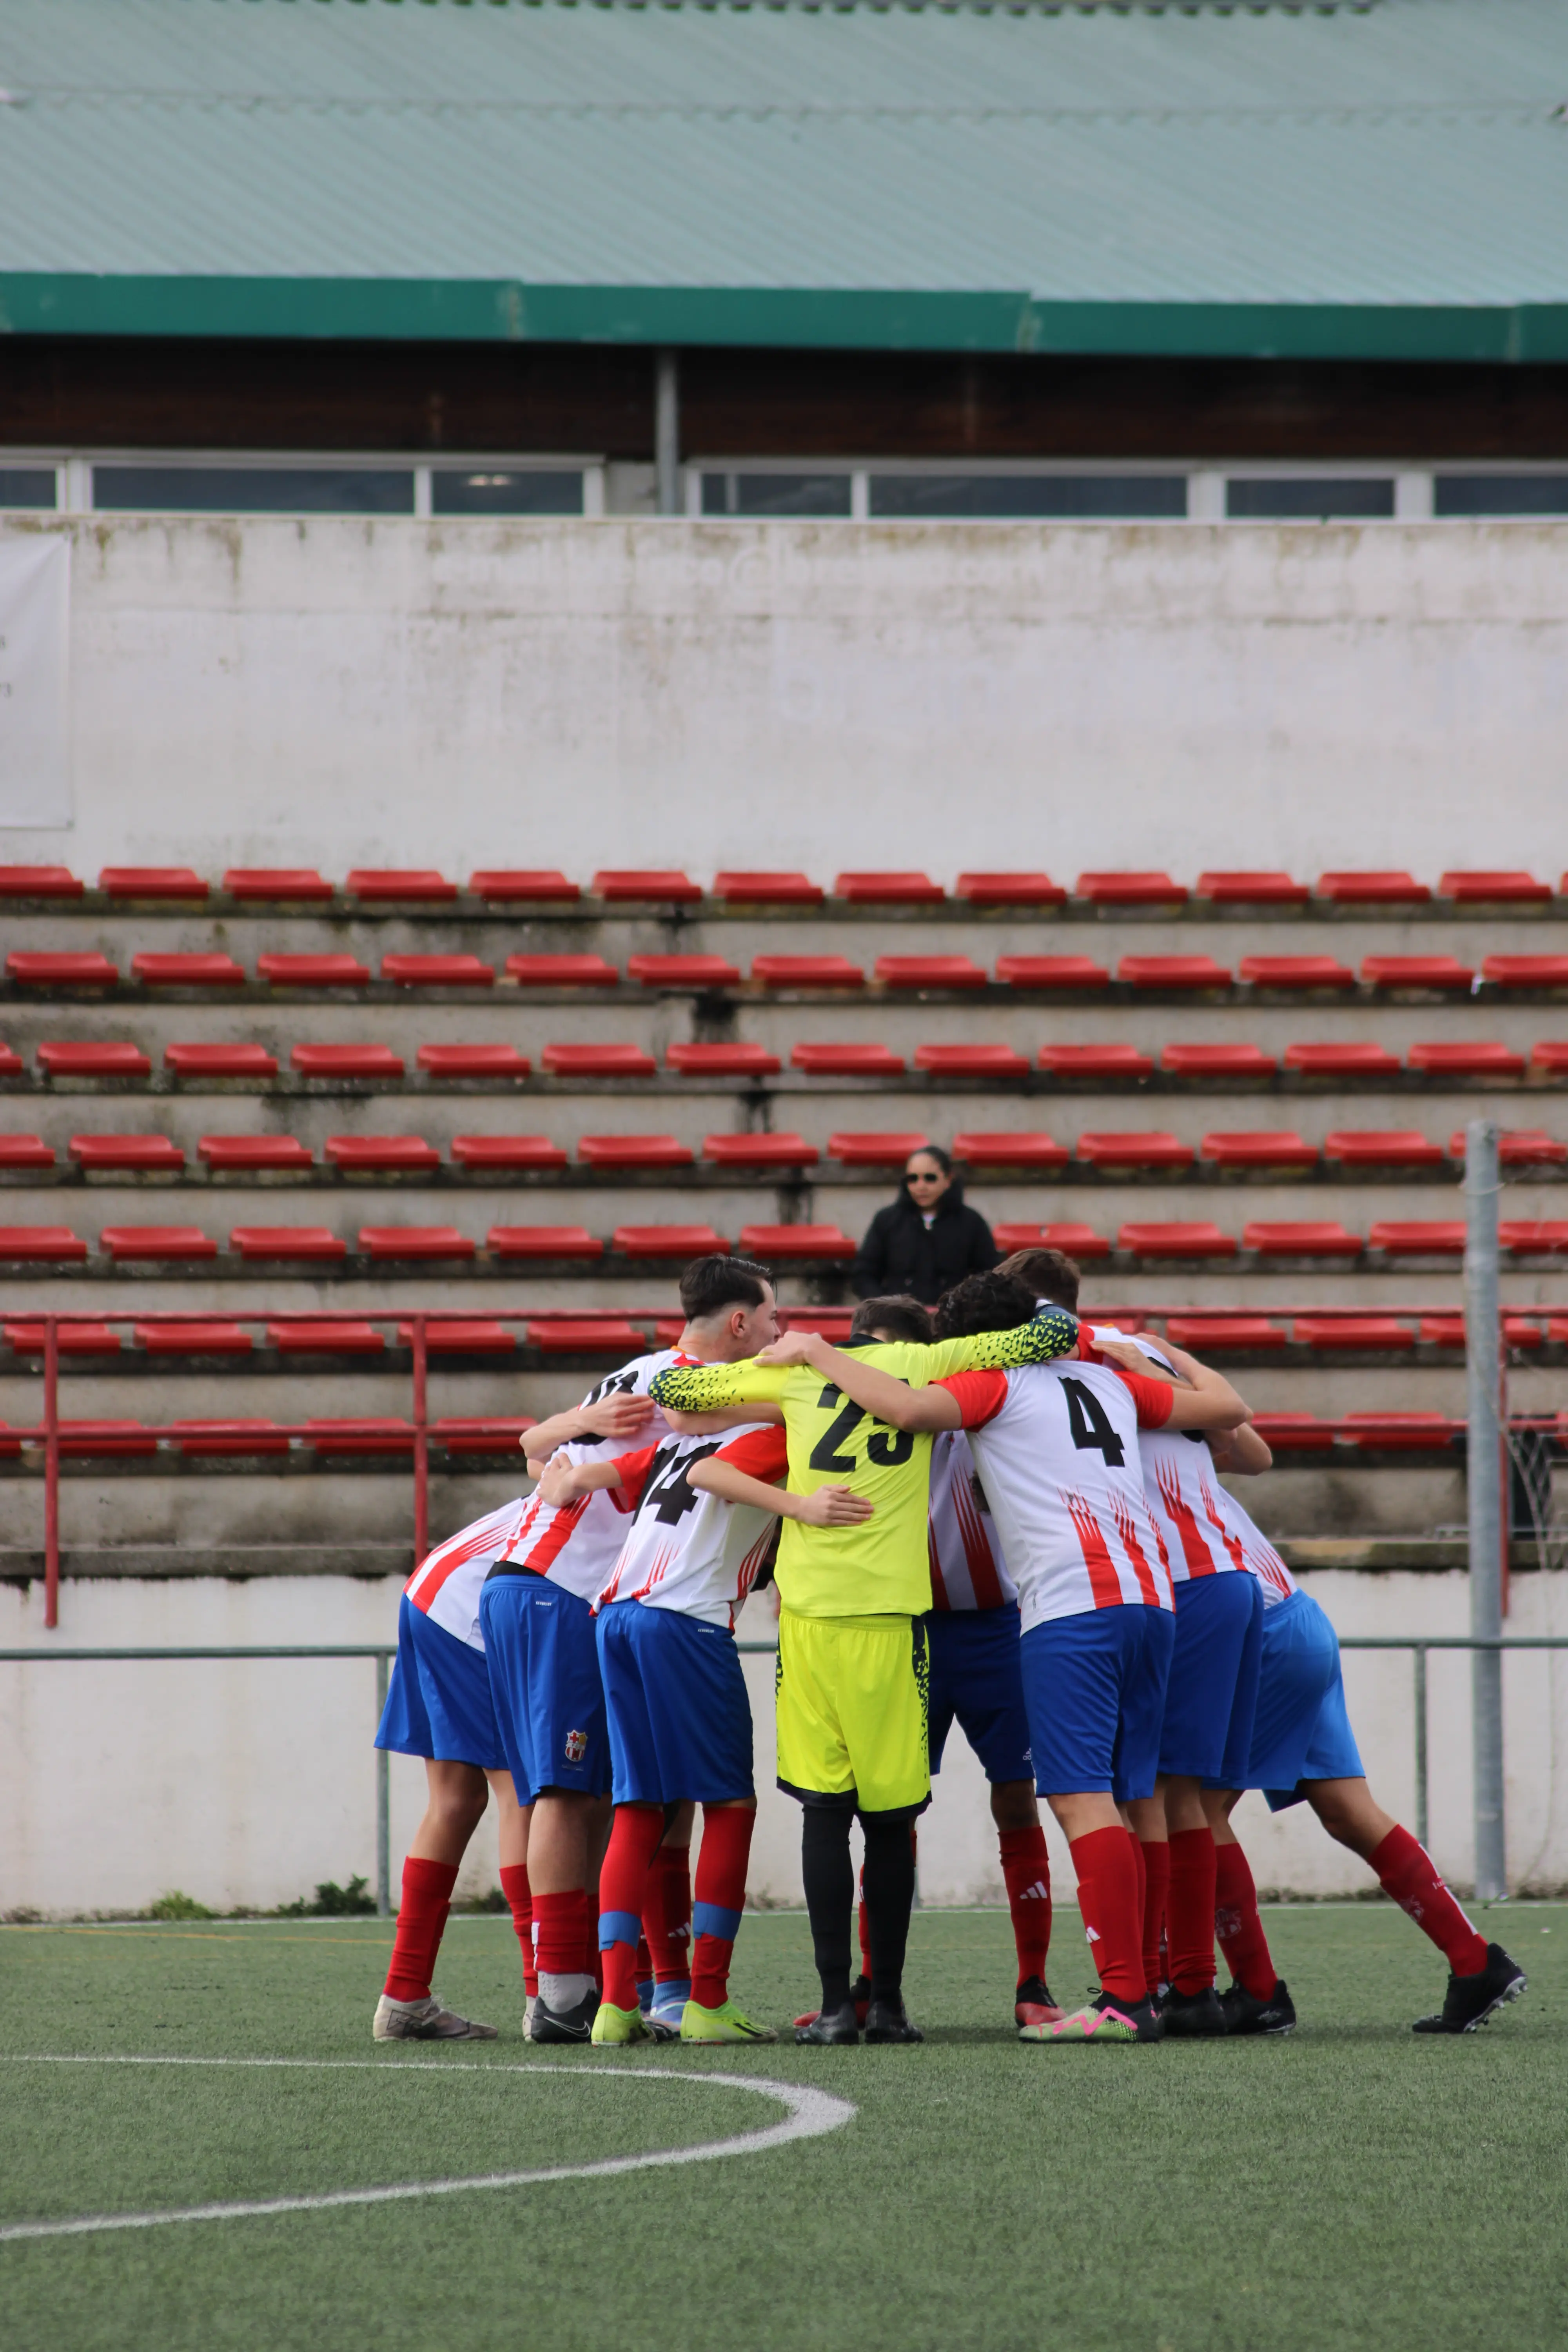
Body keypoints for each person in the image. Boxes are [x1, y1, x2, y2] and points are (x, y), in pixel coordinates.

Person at [796, 1270, 1250, 2044]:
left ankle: (1118, 2000)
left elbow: (903, 1406)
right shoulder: (1107, 1385)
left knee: (1078, 1800)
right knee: (1133, 1793)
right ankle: (1139, 1986)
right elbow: (1229, 1412)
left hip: (1070, 1608)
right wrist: (1156, 1351)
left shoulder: (995, 1386)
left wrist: (813, 1352)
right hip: (1151, 1600)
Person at [651, 1297, 1080, 2046]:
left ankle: (831, 2009)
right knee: (890, 1822)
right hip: (895, 1621)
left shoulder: (789, 1376)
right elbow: (1053, 1332)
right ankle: (887, 2005)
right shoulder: (919, 1364)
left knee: (825, 1816)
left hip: (814, 1622)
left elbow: (676, 1391)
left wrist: (774, 1357)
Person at [480, 1256, 781, 2043]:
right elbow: (694, 1458)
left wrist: (568, 1465)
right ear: (740, 1325)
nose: (780, 1336)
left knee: (636, 1804)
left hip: (599, 1601)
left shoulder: (660, 1387)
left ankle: (625, 1995)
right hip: (586, 1595)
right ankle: (594, 1994)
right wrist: (801, 1506)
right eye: (773, 1320)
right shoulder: (694, 1387)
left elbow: (550, 1448)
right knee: (626, 1798)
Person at [534, 1416, 870, 2045]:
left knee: (638, 1807)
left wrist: (559, 1479)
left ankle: (613, 2007)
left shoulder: (667, 1442)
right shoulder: (773, 1431)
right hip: (686, 1621)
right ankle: (708, 2002)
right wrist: (802, 1508)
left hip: (616, 1619)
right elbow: (712, 1476)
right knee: (730, 1804)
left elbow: (573, 1479)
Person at [999, 1247, 1265, 2038]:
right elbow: (1251, 1449)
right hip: (1226, 1574)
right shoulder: (1132, 1351)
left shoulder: (1064, 1365)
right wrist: (1173, 1357)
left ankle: (1174, 1983)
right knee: (1175, 1795)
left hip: (1167, 1580)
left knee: (1158, 1794)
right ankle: (1184, 1983)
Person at [1196, 1428, 1530, 2038]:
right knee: (1350, 1811)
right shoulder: (1164, 1427)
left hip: (1258, 1636)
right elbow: (1252, 1446)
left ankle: (1258, 1991)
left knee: (1193, 1811)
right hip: (1298, 1617)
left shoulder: (1117, 1455)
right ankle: (1475, 1961)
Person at [851, 1145, 998, 1306]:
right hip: (898, 1321)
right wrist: (884, 1307)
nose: (921, 1186)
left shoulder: (972, 1222)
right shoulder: (886, 1220)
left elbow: (989, 1275)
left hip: (954, 1320)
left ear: (948, 1180)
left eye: (930, 1178)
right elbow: (864, 1274)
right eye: (913, 1179)